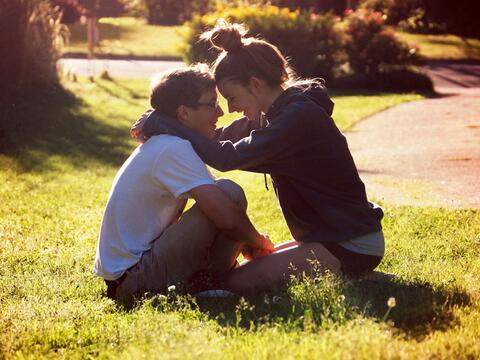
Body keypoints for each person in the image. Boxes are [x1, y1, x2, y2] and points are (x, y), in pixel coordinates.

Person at [132, 21, 385, 295]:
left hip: (351, 242)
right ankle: (351, 269)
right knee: (248, 268)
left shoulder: (297, 118)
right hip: (329, 237)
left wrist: (162, 123)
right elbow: (215, 139)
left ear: (254, 84)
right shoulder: (276, 113)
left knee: (236, 283)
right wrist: (173, 119)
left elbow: (226, 157)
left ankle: (355, 269)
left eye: (231, 97)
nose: (229, 109)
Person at [93, 64, 273, 307]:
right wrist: (258, 241)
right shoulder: (172, 148)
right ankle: (212, 283)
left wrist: (245, 241)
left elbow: (219, 212)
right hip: (133, 282)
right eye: (211, 104)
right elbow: (225, 217)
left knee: (225, 193)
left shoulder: (170, 144)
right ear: (184, 113)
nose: (220, 112)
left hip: (131, 275)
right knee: (229, 193)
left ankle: (210, 281)